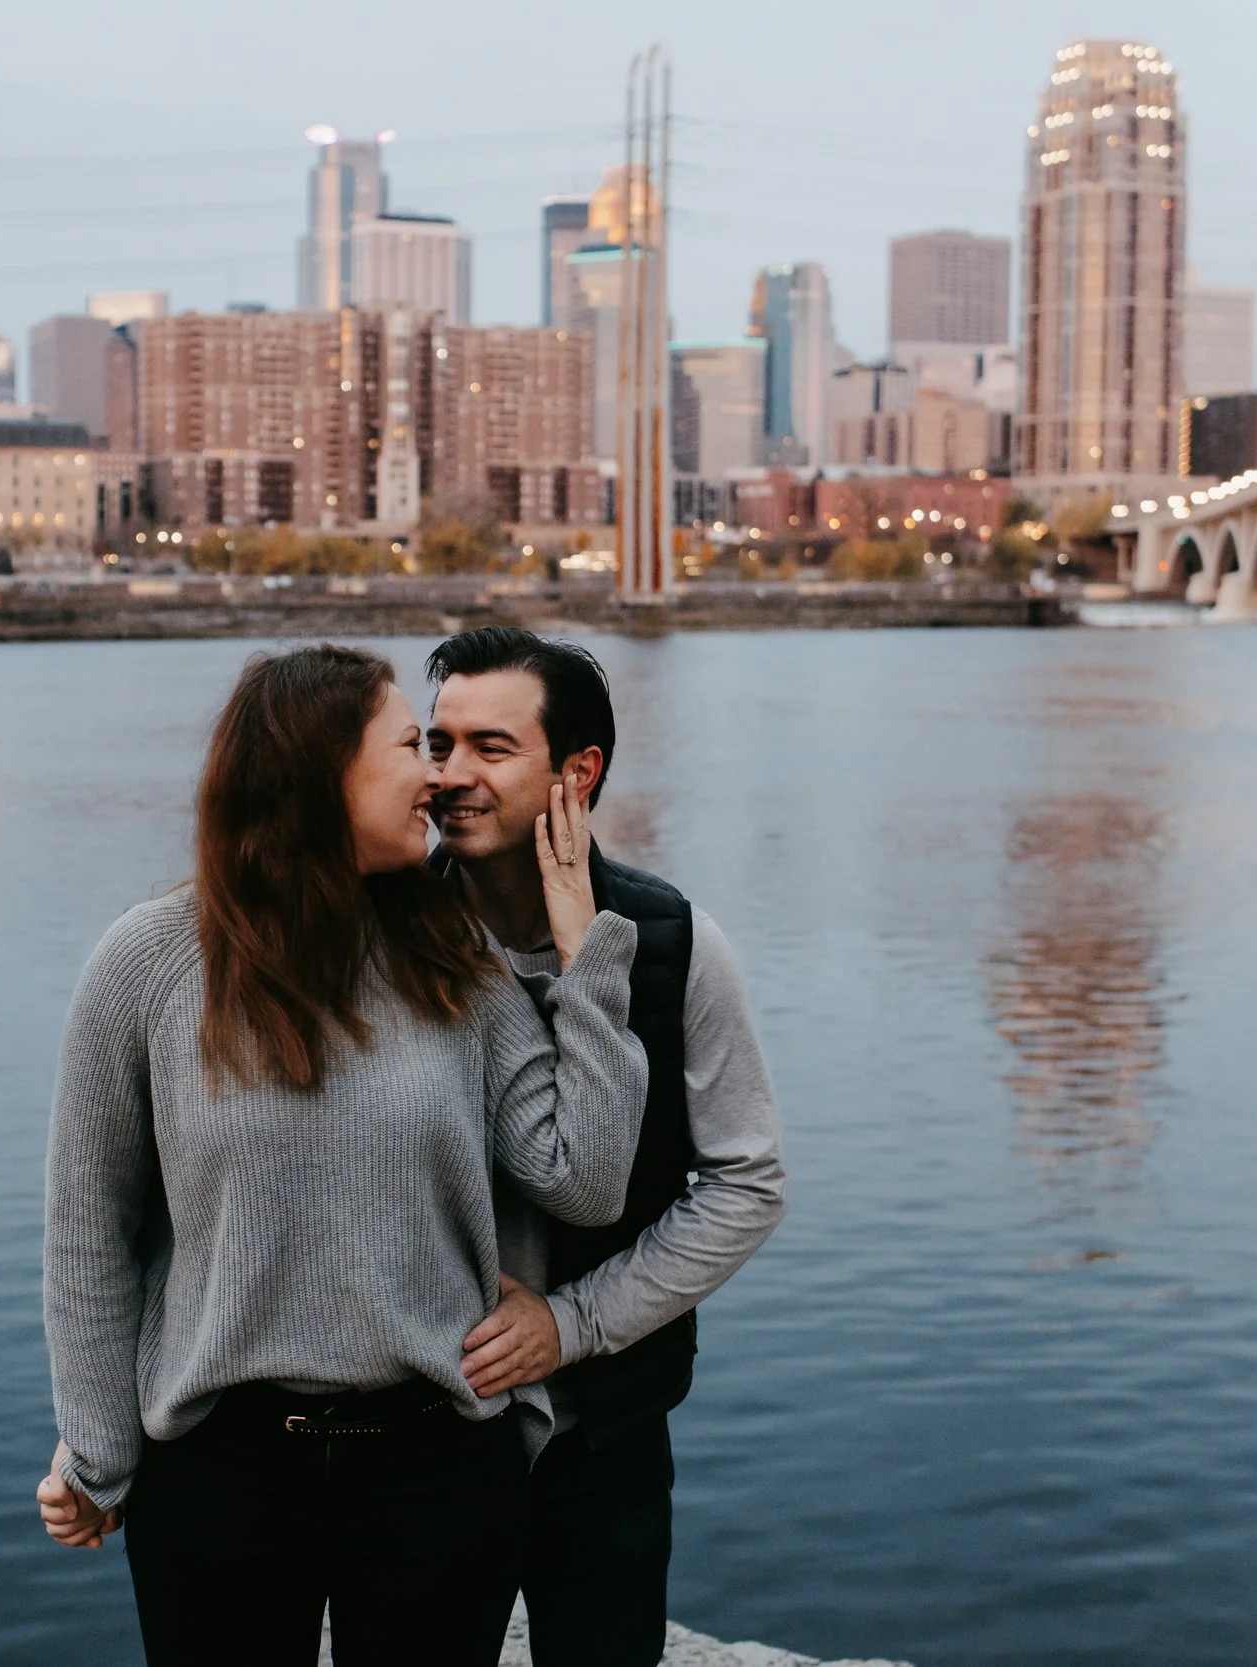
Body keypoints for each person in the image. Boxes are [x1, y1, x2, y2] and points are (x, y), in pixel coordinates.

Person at [35, 643, 651, 1667]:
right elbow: (88, 1228)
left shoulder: (454, 957)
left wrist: (589, 959)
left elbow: (583, 1179)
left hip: (438, 1468)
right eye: (412, 746)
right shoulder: (146, 962)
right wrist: (97, 1451)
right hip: (218, 1471)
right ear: (322, 772)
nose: (436, 776)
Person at [426, 627, 788, 1667]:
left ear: (577, 772)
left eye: (491, 747)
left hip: (606, 1437)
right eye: (438, 743)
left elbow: (747, 1183)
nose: (450, 774)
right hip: (417, 1438)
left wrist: (574, 1324)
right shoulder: (378, 936)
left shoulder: (674, 943)